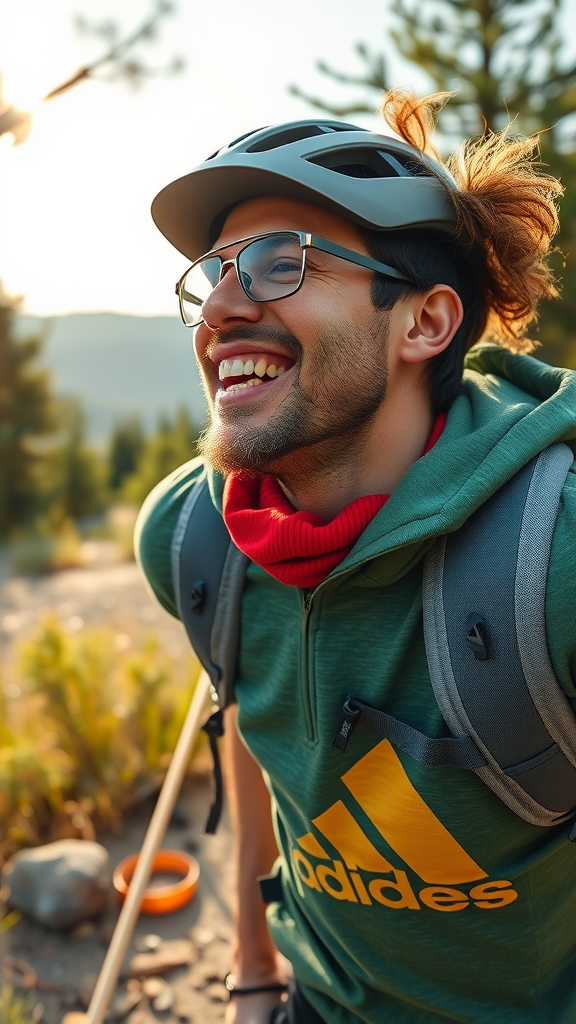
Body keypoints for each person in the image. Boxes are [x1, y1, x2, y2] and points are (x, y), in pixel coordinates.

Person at [135, 91, 576, 1024]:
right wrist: (253, 971)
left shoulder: (555, 557)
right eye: (212, 271)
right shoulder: (195, 539)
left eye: (276, 261)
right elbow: (258, 741)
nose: (218, 306)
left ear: (425, 323)